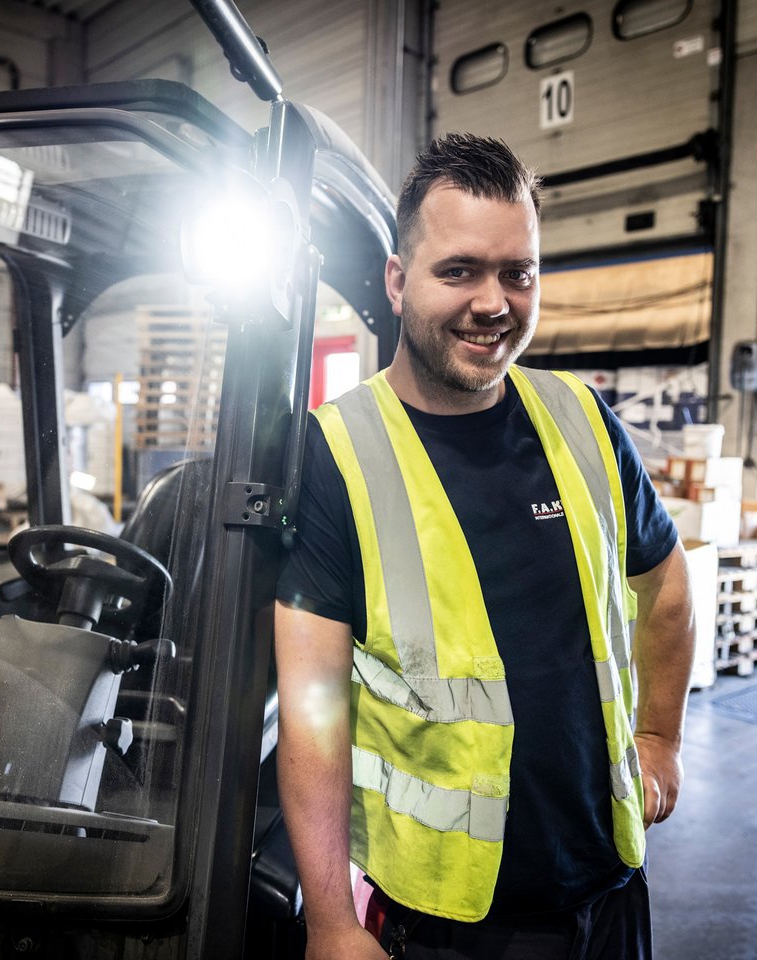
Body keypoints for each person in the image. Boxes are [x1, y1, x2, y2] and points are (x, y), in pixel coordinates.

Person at [274, 132, 696, 960]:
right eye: (459, 271)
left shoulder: (581, 420)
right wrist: (329, 918)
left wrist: (661, 739)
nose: (495, 302)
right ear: (399, 283)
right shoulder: (336, 453)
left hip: (609, 890)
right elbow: (312, 707)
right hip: (451, 927)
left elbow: (669, 591)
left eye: (519, 273)